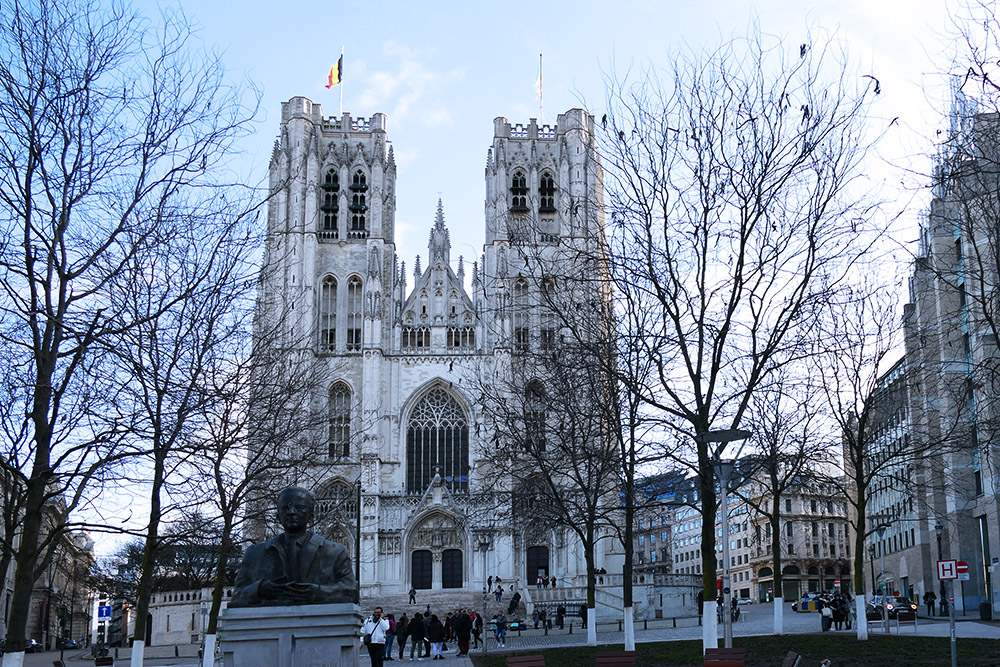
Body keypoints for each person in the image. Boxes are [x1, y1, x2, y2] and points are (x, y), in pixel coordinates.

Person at [231, 486, 357, 607]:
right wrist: (260, 589)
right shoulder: (255, 553)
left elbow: (351, 590)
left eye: (299, 507)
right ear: (277, 516)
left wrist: (318, 592)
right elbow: (237, 594)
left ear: (311, 515)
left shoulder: (335, 552)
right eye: (285, 507)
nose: (291, 512)